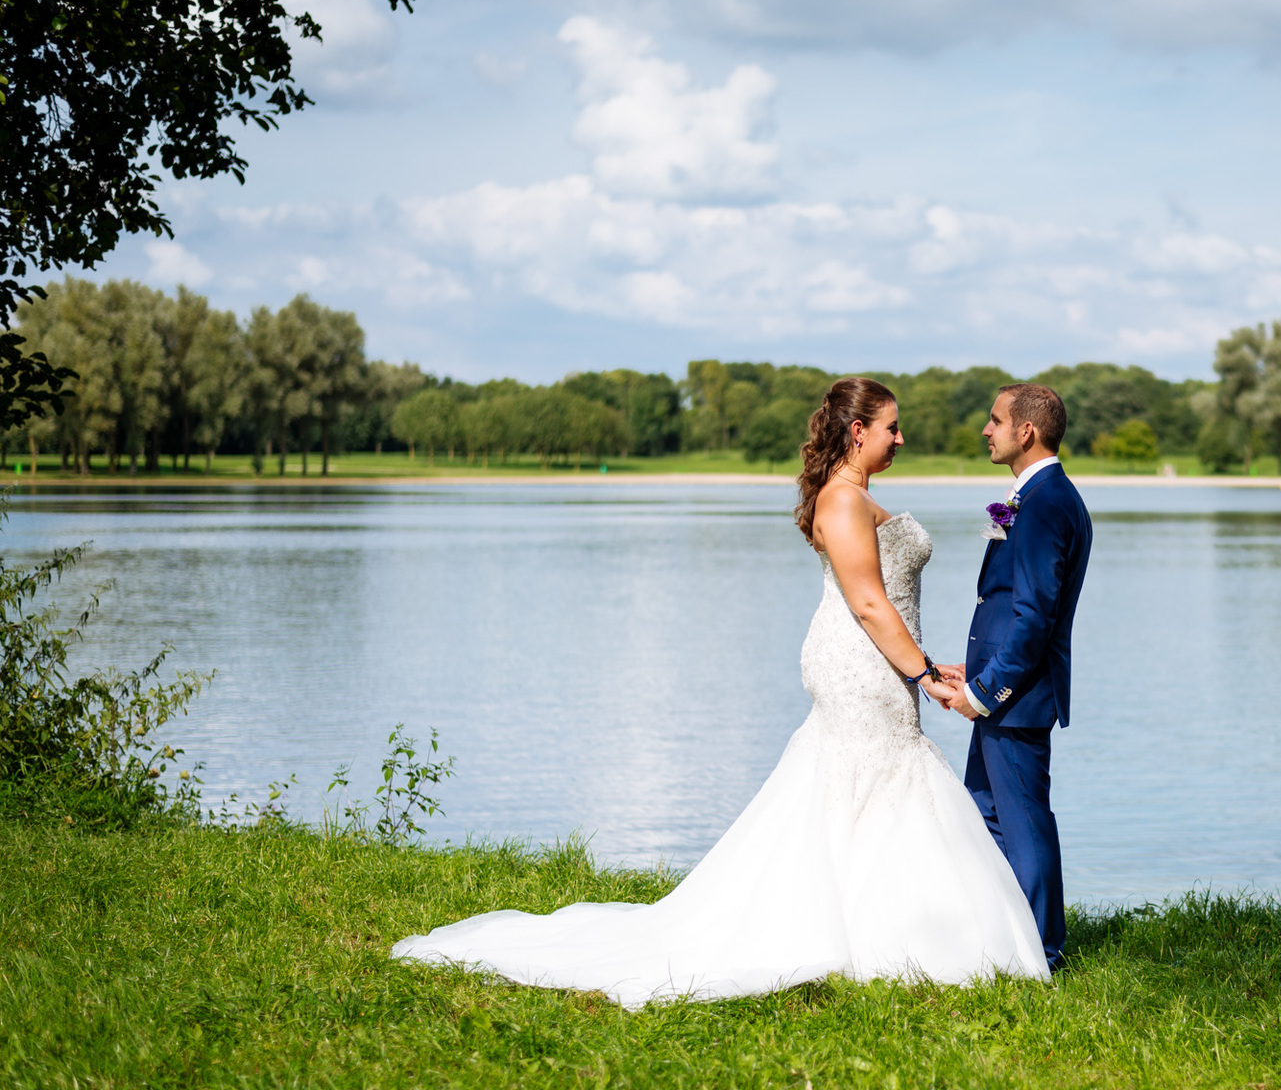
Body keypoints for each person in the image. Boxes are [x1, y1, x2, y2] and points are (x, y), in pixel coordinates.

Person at [391, 377, 1050, 1006]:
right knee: (874, 774)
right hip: (859, 662)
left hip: (883, 660)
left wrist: (924, 665)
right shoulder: (844, 500)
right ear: (857, 431)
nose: (901, 439)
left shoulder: (860, 493)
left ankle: (883, 928)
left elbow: (889, 603)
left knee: (871, 783)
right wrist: (925, 675)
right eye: (891, 428)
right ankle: (891, 938)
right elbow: (871, 604)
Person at [938, 384, 1092, 973]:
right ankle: (1002, 938)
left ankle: (1042, 953)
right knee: (988, 811)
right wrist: (972, 668)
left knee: (1024, 821)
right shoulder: (1034, 495)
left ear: (1025, 432)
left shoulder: (1048, 503)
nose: (986, 429)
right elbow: (1007, 604)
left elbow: (1033, 619)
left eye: (995, 420)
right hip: (1005, 688)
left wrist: (982, 692)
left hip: (1017, 698)